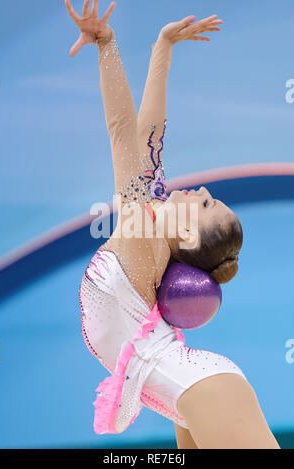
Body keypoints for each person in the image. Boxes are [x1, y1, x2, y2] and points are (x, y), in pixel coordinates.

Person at [65, 0, 280, 449]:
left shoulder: (142, 233)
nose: (201, 191)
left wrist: (108, 45)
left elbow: (123, 130)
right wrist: (163, 46)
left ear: (186, 235)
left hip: (201, 387)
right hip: (186, 392)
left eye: (206, 205)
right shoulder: (152, 233)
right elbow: (151, 134)